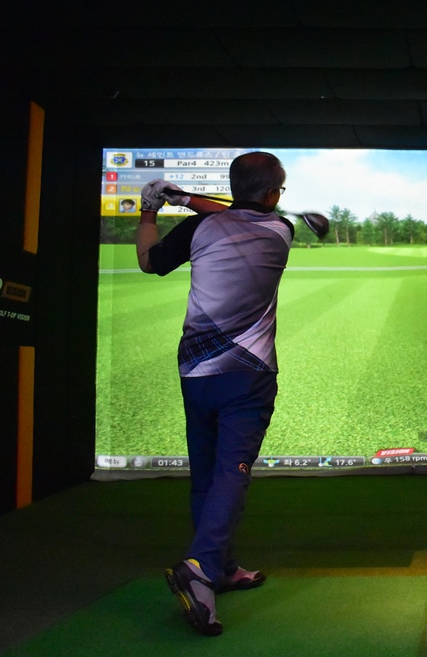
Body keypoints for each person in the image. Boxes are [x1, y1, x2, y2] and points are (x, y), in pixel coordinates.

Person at [136, 152, 294, 636]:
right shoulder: (279, 230)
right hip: (247, 375)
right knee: (231, 474)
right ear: (271, 195)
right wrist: (184, 200)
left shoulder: (197, 230)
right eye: (279, 190)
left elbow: (147, 261)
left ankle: (222, 569)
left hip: (195, 371)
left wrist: (152, 208)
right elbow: (229, 209)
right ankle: (202, 568)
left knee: (206, 473)